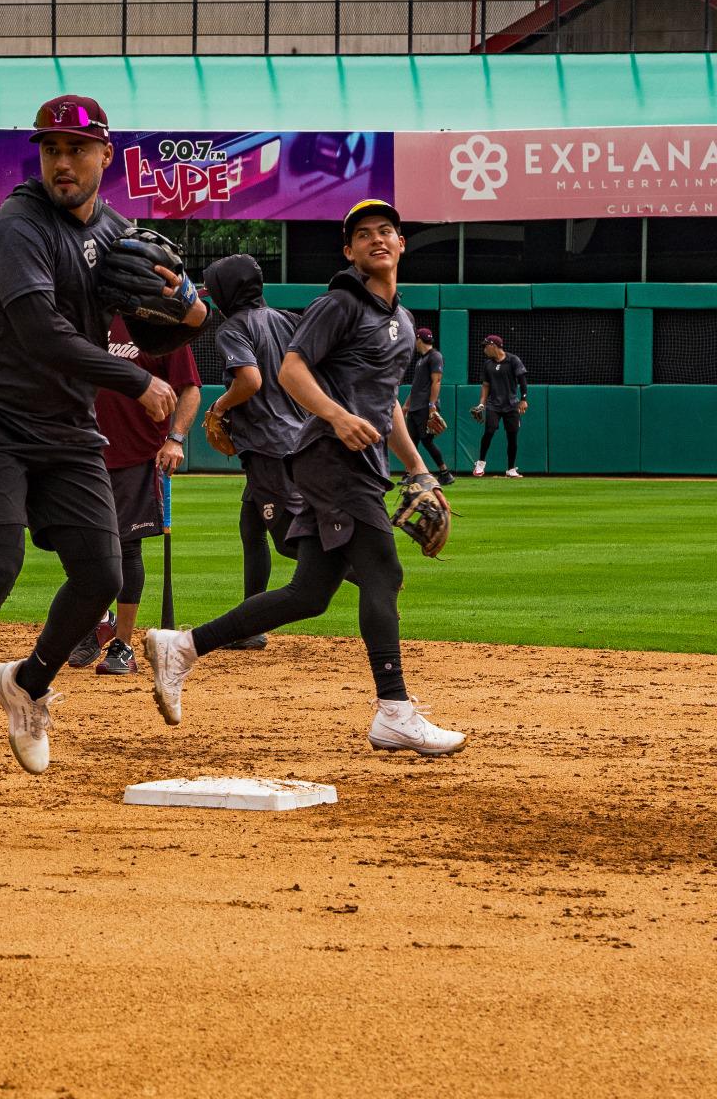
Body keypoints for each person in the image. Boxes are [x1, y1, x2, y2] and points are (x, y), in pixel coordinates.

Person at [0, 94, 211, 811]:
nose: (63, 161)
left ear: (107, 155)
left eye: (77, 148)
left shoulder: (114, 230)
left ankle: (29, 684)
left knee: (102, 573)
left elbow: (148, 326)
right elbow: (43, 334)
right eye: (51, 149)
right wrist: (137, 380)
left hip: (65, 426)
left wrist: (195, 316)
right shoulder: (17, 227)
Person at [143, 199, 467, 758]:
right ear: (349, 251)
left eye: (386, 231)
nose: (377, 240)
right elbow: (290, 369)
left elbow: (386, 401)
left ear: (402, 243)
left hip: (354, 463)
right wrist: (336, 416)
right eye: (363, 234)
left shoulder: (401, 320)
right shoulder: (339, 304)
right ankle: (394, 711)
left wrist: (418, 468)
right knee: (383, 573)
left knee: (310, 592)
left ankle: (183, 647)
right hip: (328, 460)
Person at [67, 314, 201, 675]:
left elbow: (190, 388)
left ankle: (123, 645)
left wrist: (175, 439)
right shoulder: (88, 315)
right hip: (84, 451)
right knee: (80, 545)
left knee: (127, 547)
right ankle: (101, 616)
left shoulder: (159, 324)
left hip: (137, 455)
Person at [202, 254, 308, 652]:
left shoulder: (233, 328)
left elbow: (249, 380)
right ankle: (249, 624)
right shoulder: (285, 319)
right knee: (252, 529)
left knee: (286, 540)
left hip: (268, 445)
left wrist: (220, 407)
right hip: (296, 439)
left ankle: (370, 574)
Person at [473, 334, 528, 479]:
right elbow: (485, 386)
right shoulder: (487, 364)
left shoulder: (513, 360)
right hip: (493, 405)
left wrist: (523, 400)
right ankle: (480, 464)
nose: (484, 349)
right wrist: (481, 404)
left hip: (511, 405)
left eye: (486, 346)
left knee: (512, 436)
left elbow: (522, 381)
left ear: (493, 346)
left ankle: (510, 469)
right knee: (489, 431)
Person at [404, 327, 454, 486]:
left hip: (425, 407)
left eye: (415, 340)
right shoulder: (421, 360)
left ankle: (445, 473)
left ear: (419, 339)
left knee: (426, 441)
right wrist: (406, 405)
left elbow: (437, 381)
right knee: (411, 441)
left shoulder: (435, 356)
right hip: (415, 407)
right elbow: (416, 386)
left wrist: (432, 405)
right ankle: (410, 474)